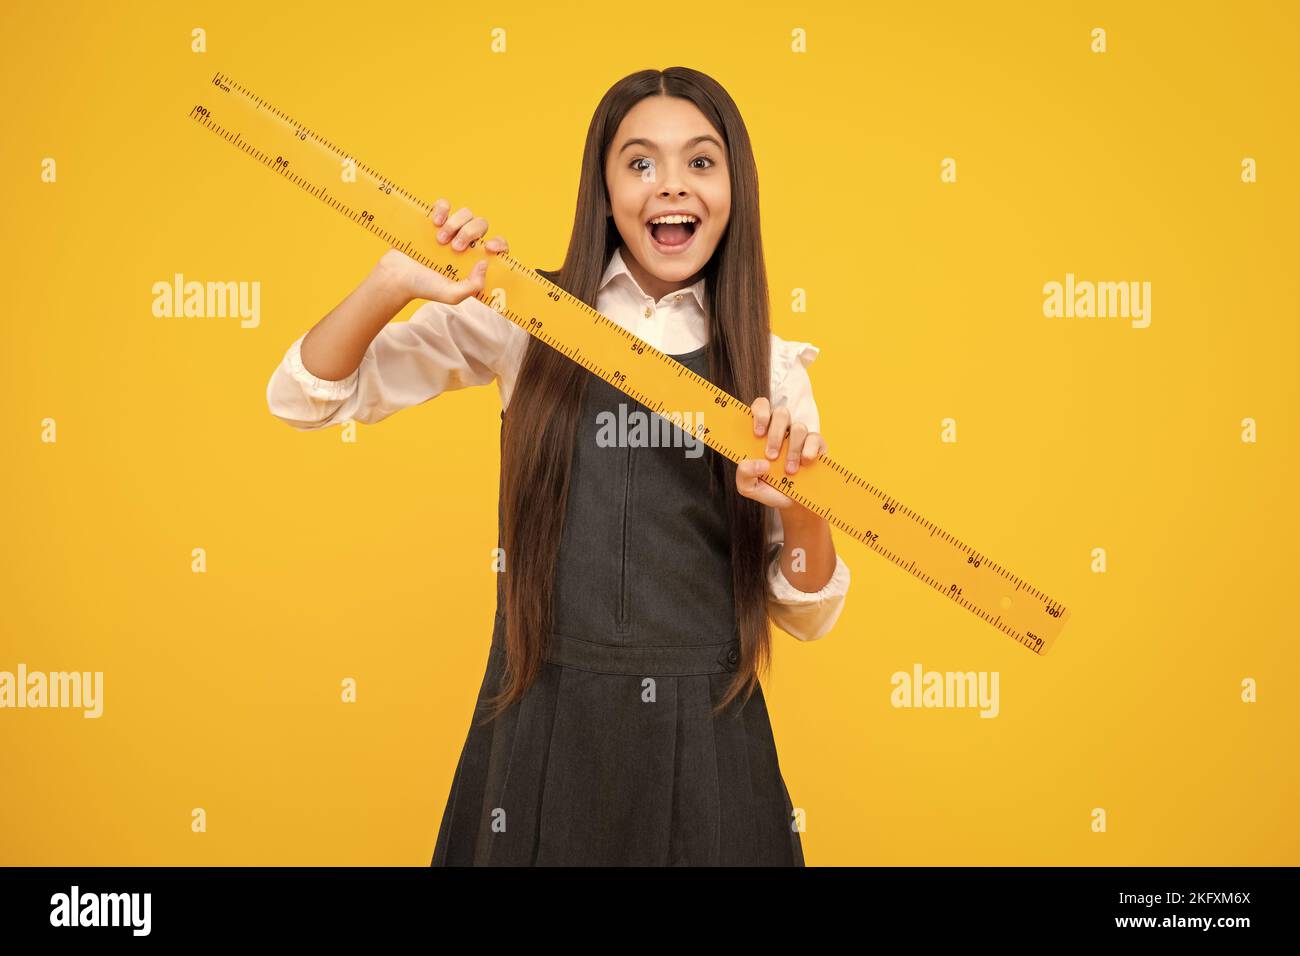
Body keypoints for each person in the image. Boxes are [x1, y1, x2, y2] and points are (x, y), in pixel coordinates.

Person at [266, 66, 851, 865]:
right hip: (540, 726)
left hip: (713, 744)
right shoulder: (523, 320)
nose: (669, 186)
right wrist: (394, 281)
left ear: (733, 189)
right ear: (603, 191)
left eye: (700, 162)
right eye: (639, 163)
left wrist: (804, 512)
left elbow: (807, 613)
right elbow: (304, 399)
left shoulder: (775, 371)